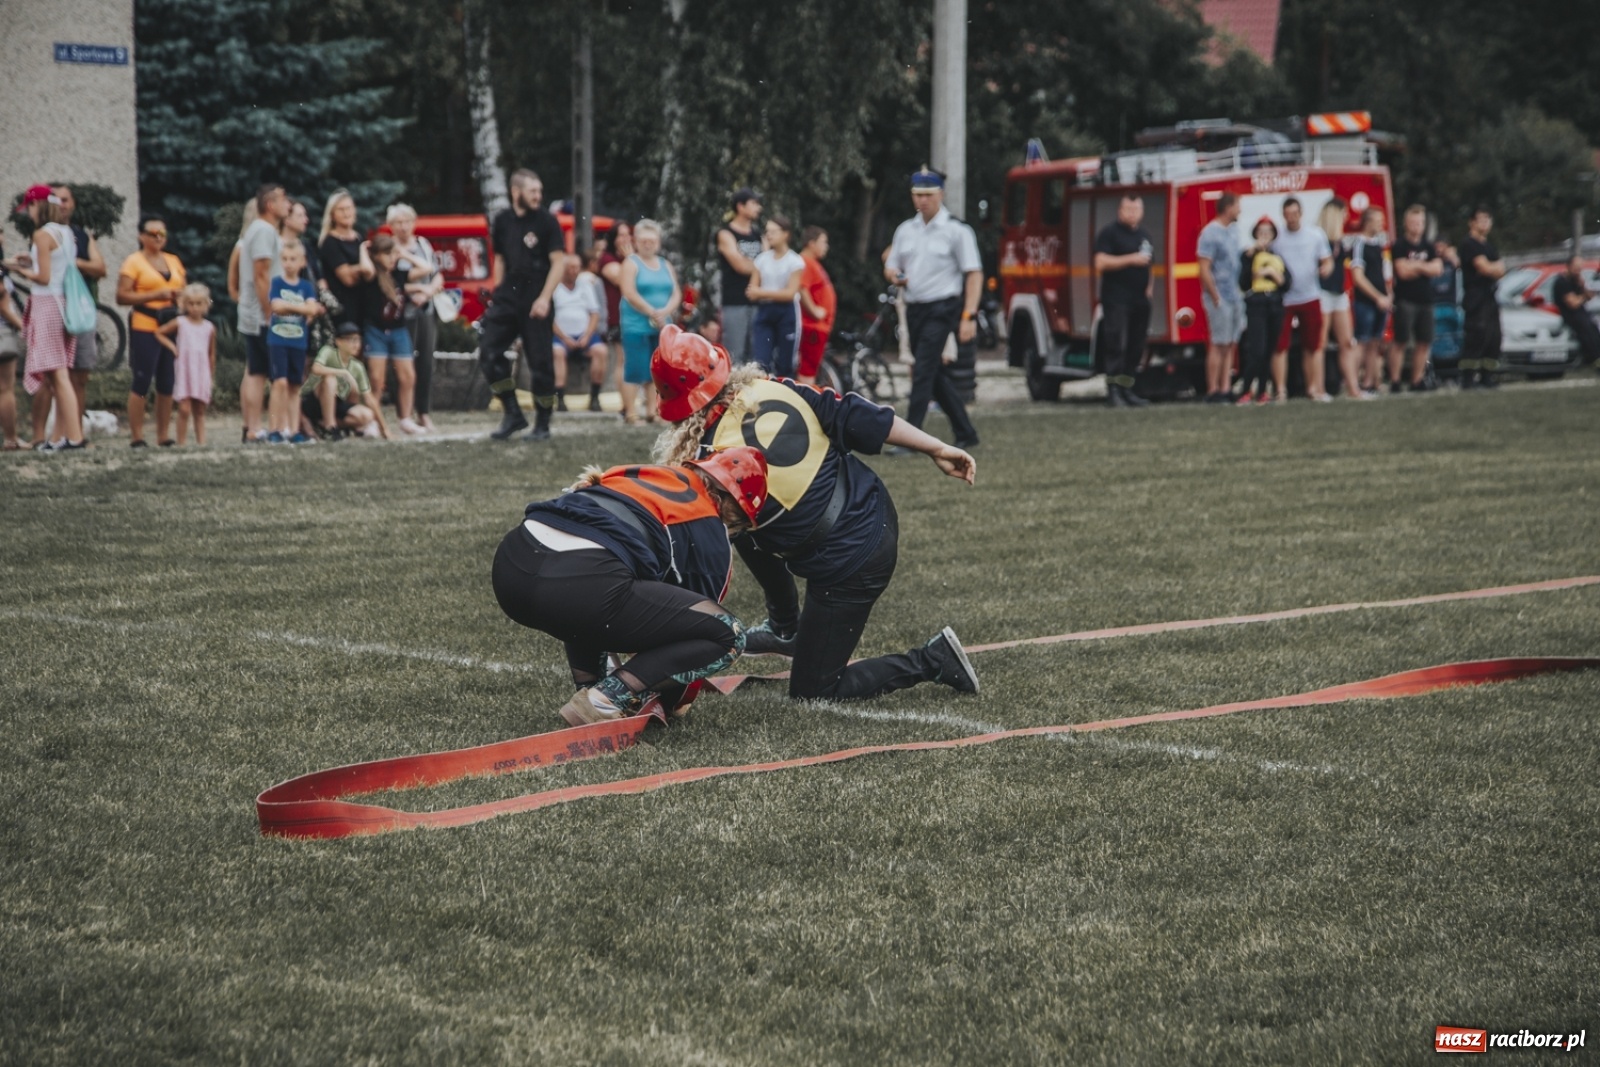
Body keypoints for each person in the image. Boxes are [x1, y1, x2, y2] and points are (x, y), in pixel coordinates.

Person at [651, 325, 981, 702]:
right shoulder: (771, 387)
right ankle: (786, 628)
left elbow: (695, 552)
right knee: (741, 525)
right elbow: (860, 415)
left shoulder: (708, 459)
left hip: (850, 560)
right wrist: (937, 447)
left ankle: (932, 659)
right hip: (873, 506)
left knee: (813, 692)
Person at [493, 446, 770, 725]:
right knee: (727, 634)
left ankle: (589, 689)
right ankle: (607, 699)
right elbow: (693, 629)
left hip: (511, 566)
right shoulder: (707, 523)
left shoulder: (642, 473)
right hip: (582, 583)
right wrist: (673, 698)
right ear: (732, 507)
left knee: (606, 581)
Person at [885, 167, 983, 439]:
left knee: (924, 370)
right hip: (915, 307)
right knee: (934, 372)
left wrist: (969, 316)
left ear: (941, 194)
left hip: (943, 308)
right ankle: (966, 431)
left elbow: (974, 274)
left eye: (928, 194)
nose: (922, 200)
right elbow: (891, 267)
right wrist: (895, 275)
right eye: (917, 195)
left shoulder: (957, 231)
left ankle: (910, 436)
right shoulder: (905, 230)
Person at [477, 169, 567, 441]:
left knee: (540, 364)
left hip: (536, 297)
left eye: (539, 191)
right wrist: (497, 293)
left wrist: (544, 298)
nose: (538, 196)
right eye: (532, 191)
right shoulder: (502, 220)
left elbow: (559, 262)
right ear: (516, 192)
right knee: (488, 353)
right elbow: (501, 259)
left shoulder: (547, 222)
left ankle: (542, 423)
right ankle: (513, 412)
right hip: (508, 296)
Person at [4, 186, 85, 450]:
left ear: (37, 205)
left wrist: (15, 268)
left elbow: (43, 278)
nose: (28, 213)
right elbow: (55, 266)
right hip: (62, 303)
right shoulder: (65, 232)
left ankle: (73, 438)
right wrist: (29, 262)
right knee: (56, 376)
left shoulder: (41, 234)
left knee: (58, 375)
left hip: (47, 305)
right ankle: (59, 437)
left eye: (29, 207)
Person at [115, 213, 187, 447]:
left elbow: (184, 290)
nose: (158, 238)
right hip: (145, 324)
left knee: (167, 381)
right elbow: (122, 296)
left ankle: (163, 435)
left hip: (170, 325)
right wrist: (155, 295)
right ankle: (137, 436)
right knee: (142, 379)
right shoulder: (133, 262)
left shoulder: (173, 261)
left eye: (162, 234)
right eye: (152, 234)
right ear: (141, 236)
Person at [1090, 193, 1156, 408]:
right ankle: (1113, 391)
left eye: (1136, 209)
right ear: (1120, 210)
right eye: (1128, 209)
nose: (1132, 213)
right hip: (1117, 299)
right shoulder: (1109, 234)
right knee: (1117, 344)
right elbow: (1100, 262)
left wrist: (1149, 288)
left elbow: (1149, 264)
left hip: (1139, 300)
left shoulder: (1144, 236)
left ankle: (1128, 389)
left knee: (1136, 346)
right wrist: (1130, 259)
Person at [237, 184, 288, 443]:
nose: (288, 204)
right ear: (270, 204)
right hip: (261, 315)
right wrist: (270, 312)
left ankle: (254, 429)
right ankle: (261, 428)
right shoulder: (264, 231)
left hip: (257, 313)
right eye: (283, 199)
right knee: (266, 373)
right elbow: (261, 275)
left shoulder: (260, 230)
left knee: (257, 372)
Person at [53, 185, 107, 425]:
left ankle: (76, 432)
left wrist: (74, 262)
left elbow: (100, 268)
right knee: (51, 377)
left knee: (80, 375)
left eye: (66, 200)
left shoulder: (82, 235)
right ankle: (45, 435)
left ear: (73, 203)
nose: (62, 205)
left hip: (81, 309)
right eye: (57, 200)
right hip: (54, 307)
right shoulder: (45, 234)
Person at [1271, 196, 1334, 402]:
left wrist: (1326, 268)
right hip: (1285, 299)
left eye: (1295, 213)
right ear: (1283, 215)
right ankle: (1280, 390)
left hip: (1310, 295)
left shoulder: (1314, 235)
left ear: (1301, 213)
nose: (1291, 218)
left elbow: (1327, 260)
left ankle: (1313, 389)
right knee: (1280, 346)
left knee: (1313, 345)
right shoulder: (1277, 239)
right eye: (1288, 214)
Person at [388, 203, 444, 431]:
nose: (403, 227)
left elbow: (437, 275)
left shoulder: (422, 244)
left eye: (407, 221)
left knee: (427, 362)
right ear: (391, 226)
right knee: (403, 363)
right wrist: (416, 291)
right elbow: (394, 281)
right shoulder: (390, 248)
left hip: (426, 310)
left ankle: (424, 412)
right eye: (398, 223)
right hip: (403, 314)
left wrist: (428, 291)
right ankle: (404, 413)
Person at [618, 219, 679, 425]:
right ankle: (631, 413)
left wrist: (666, 312)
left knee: (659, 371)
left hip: (662, 327)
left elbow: (676, 293)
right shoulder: (631, 263)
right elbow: (628, 292)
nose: (648, 244)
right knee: (635, 369)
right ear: (636, 241)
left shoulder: (666, 265)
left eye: (652, 240)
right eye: (643, 240)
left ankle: (653, 411)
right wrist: (652, 312)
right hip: (636, 325)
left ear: (658, 241)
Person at [265, 240, 325, 443]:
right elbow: (276, 307)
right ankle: (274, 429)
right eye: (284, 259)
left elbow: (313, 310)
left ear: (302, 262)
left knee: (294, 386)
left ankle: (292, 430)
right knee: (279, 383)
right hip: (278, 340)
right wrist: (301, 308)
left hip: (298, 342)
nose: (288, 263)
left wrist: (291, 306)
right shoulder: (277, 283)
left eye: (293, 259)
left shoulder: (306, 286)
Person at [302, 321, 389, 440]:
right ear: (338, 341)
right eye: (351, 340)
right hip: (316, 401)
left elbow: (369, 398)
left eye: (358, 340)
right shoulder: (328, 352)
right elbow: (316, 369)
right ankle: (329, 427)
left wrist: (384, 428)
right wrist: (342, 372)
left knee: (367, 415)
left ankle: (324, 424)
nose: (356, 344)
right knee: (330, 380)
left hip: (339, 404)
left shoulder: (357, 366)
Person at [1196, 192, 1244, 403]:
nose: (1240, 210)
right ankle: (1212, 389)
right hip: (1219, 297)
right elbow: (1204, 268)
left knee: (1230, 343)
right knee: (1218, 343)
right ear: (1228, 208)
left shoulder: (1233, 231)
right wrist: (1215, 296)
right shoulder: (1209, 234)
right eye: (1237, 206)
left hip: (1235, 295)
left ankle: (1226, 387)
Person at [1237, 217, 1290, 405]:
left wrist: (1274, 275)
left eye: (1268, 232)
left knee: (1269, 350)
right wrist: (1253, 265)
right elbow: (1243, 282)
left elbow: (1286, 283)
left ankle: (1262, 391)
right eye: (1261, 232)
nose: (1265, 236)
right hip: (1256, 304)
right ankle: (1245, 389)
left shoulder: (1277, 257)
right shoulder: (1248, 256)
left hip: (1274, 304)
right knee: (1256, 350)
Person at [156, 283, 216, 446]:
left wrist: (210, 375)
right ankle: (181, 443)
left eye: (199, 304)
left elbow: (211, 354)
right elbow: (159, 333)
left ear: (205, 305)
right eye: (191, 303)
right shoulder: (180, 322)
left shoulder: (209, 327)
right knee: (184, 409)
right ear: (185, 304)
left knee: (200, 410)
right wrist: (173, 347)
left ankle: (201, 443)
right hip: (185, 370)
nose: (195, 308)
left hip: (201, 372)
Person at [1391, 205, 1443, 390]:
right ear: (1406, 223)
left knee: (1424, 342)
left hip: (1426, 300)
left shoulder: (1429, 246)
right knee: (1401, 341)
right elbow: (1402, 272)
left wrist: (1415, 265)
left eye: (1420, 222)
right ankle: (1395, 382)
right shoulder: (1399, 245)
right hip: (1405, 300)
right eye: (1413, 222)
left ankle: (1416, 380)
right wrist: (1424, 267)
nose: (1417, 226)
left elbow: (1437, 269)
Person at [746, 214, 804, 377]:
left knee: (785, 364)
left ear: (786, 234)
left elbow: (790, 293)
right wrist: (765, 293)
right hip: (765, 313)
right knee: (760, 362)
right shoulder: (762, 259)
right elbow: (752, 291)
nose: (769, 235)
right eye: (767, 231)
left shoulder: (795, 261)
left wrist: (762, 293)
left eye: (773, 231)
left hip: (786, 313)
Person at [1316, 199, 1362, 399]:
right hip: (1322, 293)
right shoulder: (1319, 240)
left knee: (1347, 341)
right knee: (1320, 343)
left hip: (1338, 293)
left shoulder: (1340, 242)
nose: (1346, 217)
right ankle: (1319, 389)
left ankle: (1353, 388)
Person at [552, 254, 607, 413]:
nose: (574, 271)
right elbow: (550, 319)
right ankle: (560, 398)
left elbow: (594, 314)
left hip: (585, 335)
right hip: (561, 335)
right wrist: (565, 337)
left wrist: (587, 335)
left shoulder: (586, 286)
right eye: (571, 267)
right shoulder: (555, 287)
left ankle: (595, 397)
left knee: (601, 351)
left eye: (577, 267)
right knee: (557, 352)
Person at [1458, 208, 1505, 389]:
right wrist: (1493, 268)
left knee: (1494, 337)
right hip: (1475, 297)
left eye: (1488, 219)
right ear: (1472, 222)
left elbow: (1501, 268)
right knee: (1477, 337)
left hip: (1490, 296)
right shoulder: (1469, 244)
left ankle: (1487, 377)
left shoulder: (1488, 246)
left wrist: (1493, 267)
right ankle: (1468, 379)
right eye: (1481, 220)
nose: (1485, 223)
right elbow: (1484, 267)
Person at [715, 188, 764, 363]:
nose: (758, 208)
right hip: (734, 302)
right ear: (740, 206)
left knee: (755, 356)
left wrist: (755, 265)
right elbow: (740, 265)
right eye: (754, 204)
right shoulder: (726, 233)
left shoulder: (758, 233)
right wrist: (760, 265)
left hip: (758, 301)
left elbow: (767, 263)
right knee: (734, 355)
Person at [1349, 206, 1393, 395]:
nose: (1381, 224)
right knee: (1362, 341)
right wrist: (1378, 297)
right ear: (1367, 222)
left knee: (1376, 342)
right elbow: (1358, 277)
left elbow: (1385, 274)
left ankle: (1370, 382)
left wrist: (1388, 295)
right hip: (1366, 302)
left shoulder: (1379, 244)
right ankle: (1353, 383)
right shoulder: (1359, 243)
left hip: (1382, 301)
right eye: (1378, 220)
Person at [318, 189, 371, 332]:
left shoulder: (359, 238)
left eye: (349, 208)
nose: (346, 213)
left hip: (363, 303)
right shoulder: (330, 242)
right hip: (342, 306)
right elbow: (347, 278)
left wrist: (358, 270)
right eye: (341, 209)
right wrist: (363, 269)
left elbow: (368, 273)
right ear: (332, 215)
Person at [797, 225, 837, 386]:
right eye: (823, 242)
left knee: (810, 370)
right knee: (807, 372)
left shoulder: (812, 263)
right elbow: (801, 287)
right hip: (812, 326)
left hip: (818, 327)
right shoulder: (805, 262)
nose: (826, 246)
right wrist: (814, 311)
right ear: (811, 243)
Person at [598, 221, 633, 401]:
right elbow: (623, 279)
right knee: (623, 360)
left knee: (633, 361)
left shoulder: (630, 259)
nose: (626, 239)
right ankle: (625, 404)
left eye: (628, 234)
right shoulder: (607, 259)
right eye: (621, 235)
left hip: (635, 316)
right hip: (617, 316)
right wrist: (632, 260)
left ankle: (632, 401)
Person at [1551, 257, 1600, 365]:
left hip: (1581, 312)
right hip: (1570, 314)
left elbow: (1589, 297)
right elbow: (1572, 303)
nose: (1578, 271)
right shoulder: (1561, 282)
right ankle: (1594, 357)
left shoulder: (1576, 281)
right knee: (1586, 330)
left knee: (1594, 328)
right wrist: (1582, 297)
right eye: (1576, 268)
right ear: (1569, 266)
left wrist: (1582, 286)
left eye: (1580, 268)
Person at [0, 241, 23, 450]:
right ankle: (10, 438)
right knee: (5, 389)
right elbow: (4, 307)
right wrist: (24, 327)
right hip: (2, 332)